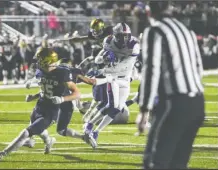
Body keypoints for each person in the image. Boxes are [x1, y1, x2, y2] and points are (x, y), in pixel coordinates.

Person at [0, 47, 94, 163]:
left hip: (51, 111)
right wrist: (33, 96)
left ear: (48, 61)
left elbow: (77, 93)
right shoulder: (40, 70)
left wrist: (62, 98)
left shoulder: (62, 72)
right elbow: (45, 89)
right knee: (39, 130)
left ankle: (1, 154)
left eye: (40, 59)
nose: (38, 62)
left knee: (26, 132)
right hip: (39, 106)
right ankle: (49, 141)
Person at [136, 1, 205, 169]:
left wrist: (144, 110)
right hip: (197, 103)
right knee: (178, 164)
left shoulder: (155, 30)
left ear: (150, 11)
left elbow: (151, 71)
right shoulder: (186, 31)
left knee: (154, 163)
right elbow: (198, 69)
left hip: (175, 104)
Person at [84, 23, 140, 148]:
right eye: (122, 36)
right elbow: (98, 59)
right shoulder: (108, 41)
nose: (125, 39)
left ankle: (96, 132)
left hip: (125, 78)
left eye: (127, 36)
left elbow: (124, 65)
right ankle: (89, 124)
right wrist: (103, 59)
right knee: (112, 105)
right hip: (113, 78)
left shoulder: (134, 45)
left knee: (116, 109)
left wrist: (103, 70)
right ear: (115, 35)